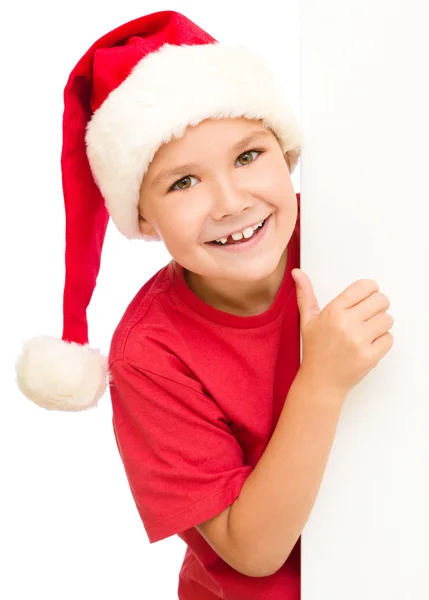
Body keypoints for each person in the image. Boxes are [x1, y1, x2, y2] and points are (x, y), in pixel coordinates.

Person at [14, 10, 395, 600]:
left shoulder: (352, 228)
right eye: (182, 183)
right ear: (143, 217)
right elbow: (253, 552)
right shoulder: (149, 353)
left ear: (285, 151)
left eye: (248, 157)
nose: (230, 202)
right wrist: (320, 381)